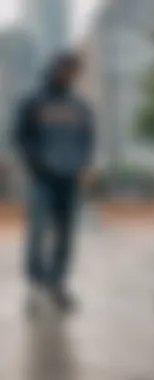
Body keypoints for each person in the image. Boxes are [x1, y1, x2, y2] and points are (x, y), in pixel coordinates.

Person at [14, 52, 95, 314]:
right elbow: (20, 136)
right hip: (42, 178)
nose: (69, 74)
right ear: (55, 68)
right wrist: (35, 163)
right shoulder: (34, 101)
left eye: (74, 71)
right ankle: (36, 286)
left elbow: (88, 138)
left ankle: (57, 284)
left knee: (65, 235)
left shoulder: (80, 105)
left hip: (69, 179)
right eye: (66, 68)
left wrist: (83, 164)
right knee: (37, 233)